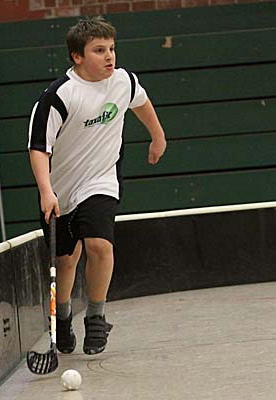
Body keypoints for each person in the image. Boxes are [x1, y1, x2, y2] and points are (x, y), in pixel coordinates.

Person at [27, 16, 166, 355]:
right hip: (61, 189)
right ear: (77, 56)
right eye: (99, 50)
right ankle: (62, 318)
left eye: (112, 49)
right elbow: (39, 148)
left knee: (100, 245)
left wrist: (158, 136)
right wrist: (46, 190)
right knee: (66, 260)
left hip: (101, 180)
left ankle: (96, 316)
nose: (109, 57)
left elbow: (141, 102)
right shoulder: (58, 96)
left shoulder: (123, 81)